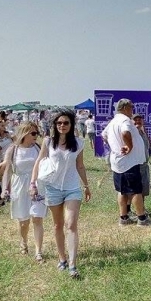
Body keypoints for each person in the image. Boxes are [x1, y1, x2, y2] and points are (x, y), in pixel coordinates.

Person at [30, 110, 91, 278]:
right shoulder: (48, 142)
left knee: (71, 225)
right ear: (54, 125)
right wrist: (33, 184)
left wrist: (86, 186)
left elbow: (80, 165)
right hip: (52, 187)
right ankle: (62, 258)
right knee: (58, 225)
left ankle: (72, 264)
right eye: (59, 123)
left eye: (66, 123)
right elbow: (38, 162)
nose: (62, 126)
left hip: (72, 188)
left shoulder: (78, 143)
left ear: (71, 125)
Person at [1, 122, 47, 262]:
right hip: (19, 186)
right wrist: (4, 189)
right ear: (24, 133)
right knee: (23, 221)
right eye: (33, 133)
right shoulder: (13, 150)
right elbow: (7, 172)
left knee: (37, 218)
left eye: (37, 133)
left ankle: (38, 251)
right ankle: (24, 242)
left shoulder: (38, 148)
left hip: (37, 185)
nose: (36, 136)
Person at [105, 99, 150, 226]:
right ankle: (141, 218)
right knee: (136, 190)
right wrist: (129, 146)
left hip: (118, 161)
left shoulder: (113, 121)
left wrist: (115, 146)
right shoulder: (125, 120)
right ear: (125, 107)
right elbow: (125, 133)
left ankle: (123, 217)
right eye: (131, 107)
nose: (132, 110)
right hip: (130, 162)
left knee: (122, 191)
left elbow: (104, 135)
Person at [132, 113, 151, 202]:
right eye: (135, 120)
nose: (138, 121)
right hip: (136, 164)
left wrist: (150, 144)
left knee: (144, 187)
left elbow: (146, 140)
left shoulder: (142, 130)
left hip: (144, 163)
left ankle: (142, 207)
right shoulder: (133, 132)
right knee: (137, 188)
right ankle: (138, 209)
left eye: (139, 119)